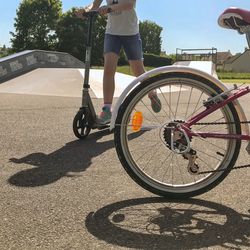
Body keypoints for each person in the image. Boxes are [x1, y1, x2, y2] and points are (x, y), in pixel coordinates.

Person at [76, 0, 161, 125]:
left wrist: (109, 8)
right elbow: (94, 5)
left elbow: (129, 4)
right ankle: (107, 110)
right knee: (109, 68)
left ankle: (152, 93)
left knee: (138, 71)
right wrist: (85, 10)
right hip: (112, 33)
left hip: (130, 32)